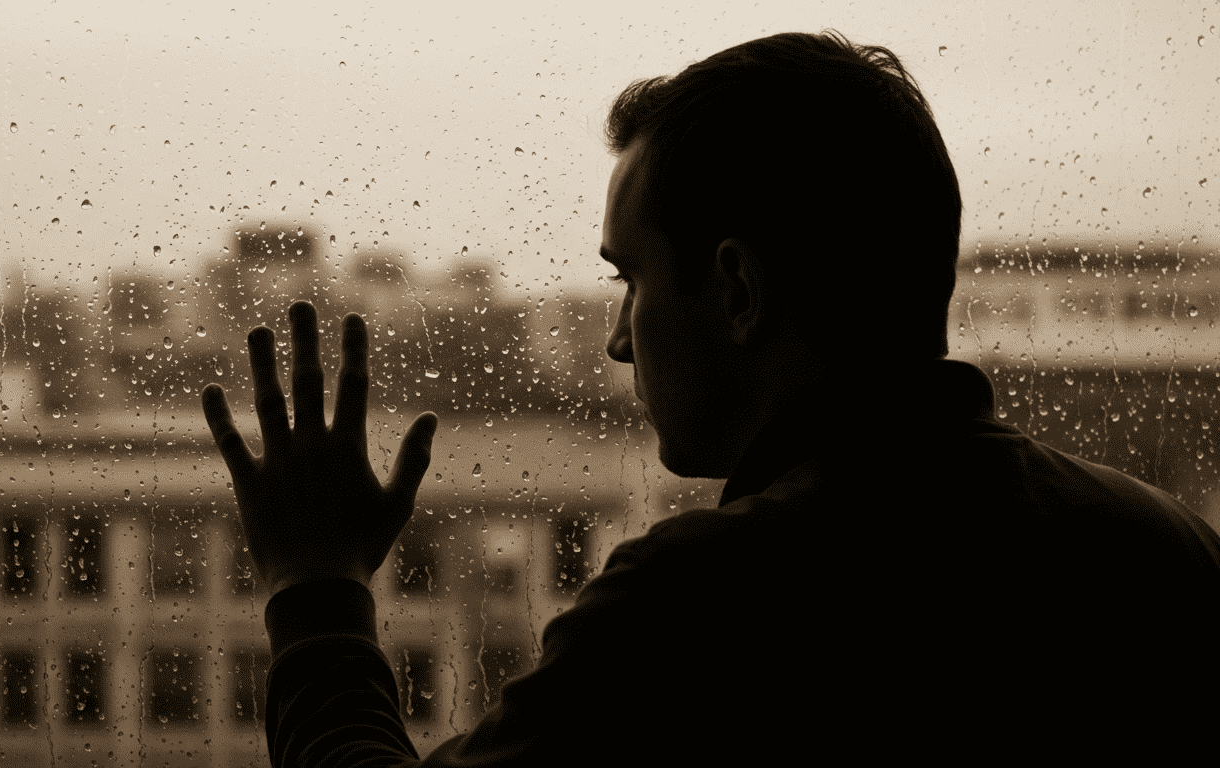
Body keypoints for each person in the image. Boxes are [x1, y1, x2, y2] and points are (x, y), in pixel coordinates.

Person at [201, 29, 1220, 765]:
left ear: (736, 290)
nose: (612, 339)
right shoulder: (1161, 550)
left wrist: (318, 591)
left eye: (629, 280)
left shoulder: (710, 604)